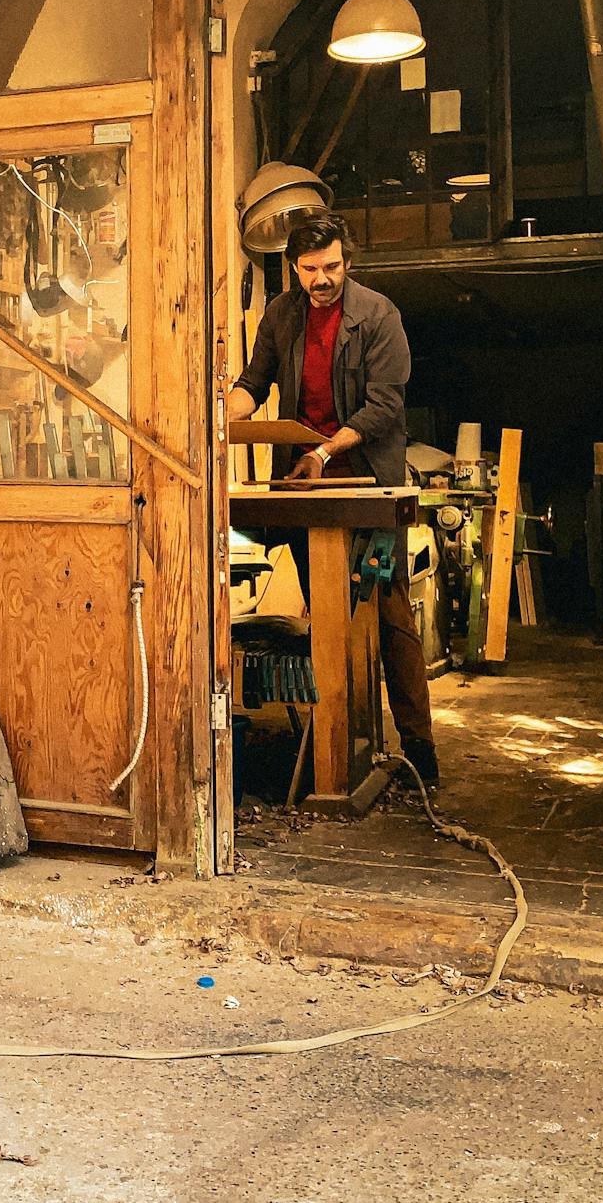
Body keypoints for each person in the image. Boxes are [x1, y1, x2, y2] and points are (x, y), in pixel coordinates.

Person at [227, 213, 438, 787]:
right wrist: (218, 415)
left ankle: (418, 747)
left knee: (389, 614)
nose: (323, 279)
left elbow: (384, 405)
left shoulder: (378, 314)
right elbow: (254, 382)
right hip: (305, 483)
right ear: (293, 268)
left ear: (347, 262)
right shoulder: (281, 314)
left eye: (333, 267)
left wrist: (324, 452)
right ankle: (334, 740)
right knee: (326, 615)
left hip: (366, 480)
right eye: (312, 269)